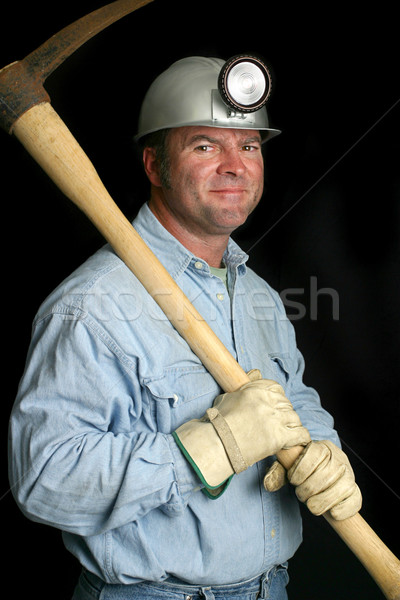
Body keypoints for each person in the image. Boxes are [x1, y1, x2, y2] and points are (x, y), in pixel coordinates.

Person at [8, 55, 362, 600]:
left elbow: (292, 399)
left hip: (273, 589)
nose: (234, 164)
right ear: (154, 165)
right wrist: (206, 448)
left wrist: (323, 450)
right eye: (204, 145)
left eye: (249, 146)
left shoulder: (259, 295)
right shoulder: (90, 306)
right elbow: (43, 480)